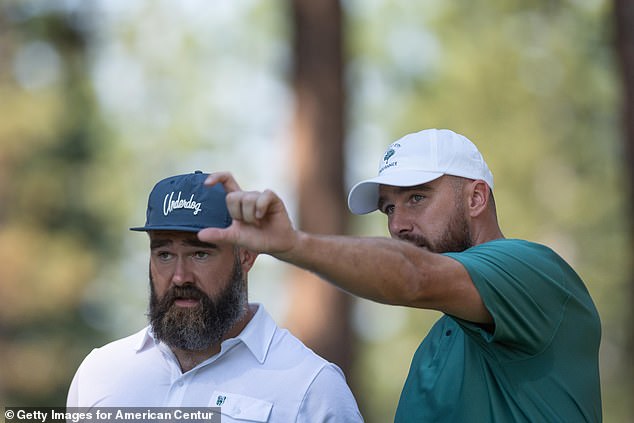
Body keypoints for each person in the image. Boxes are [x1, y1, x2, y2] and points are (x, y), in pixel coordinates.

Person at [198, 129, 603, 422]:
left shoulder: (534, 271)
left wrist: (293, 244)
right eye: (389, 208)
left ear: (476, 197)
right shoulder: (434, 348)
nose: (399, 224)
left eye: (417, 197)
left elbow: (414, 275)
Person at [67, 171, 363, 423]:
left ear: (246, 255)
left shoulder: (313, 386)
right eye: (165, 254)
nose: (180, 276)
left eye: (200, 253)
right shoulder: (100, 372)